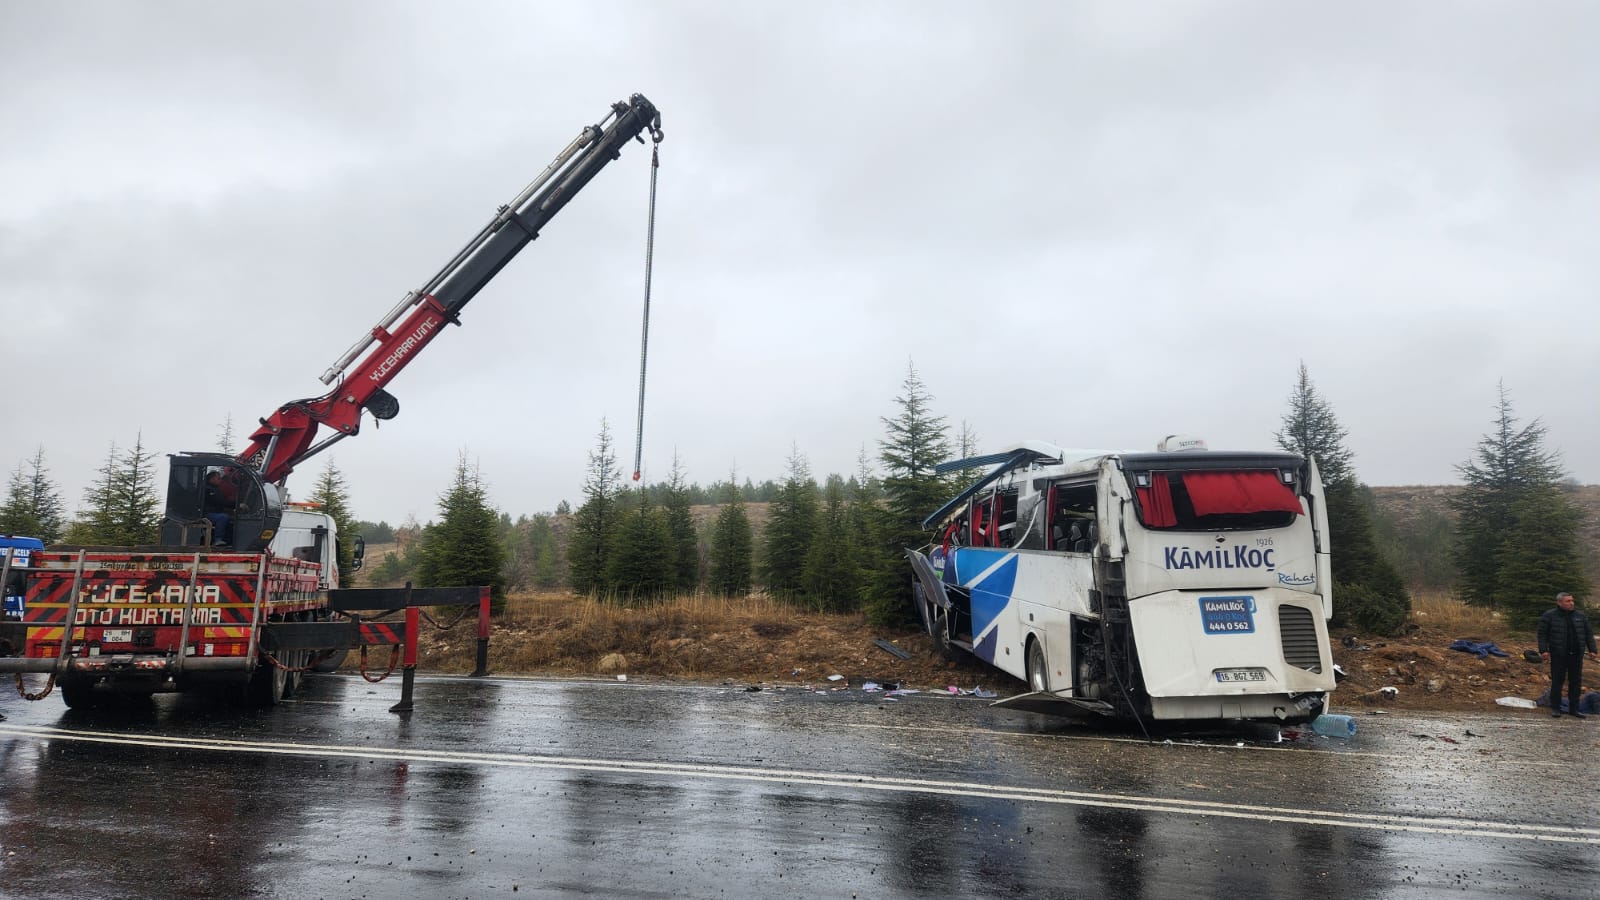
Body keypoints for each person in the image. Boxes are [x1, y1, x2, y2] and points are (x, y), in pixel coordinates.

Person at [1537, 591, 1598, 719]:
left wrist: (1593, 650)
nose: (1571, 603)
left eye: (1572, 600)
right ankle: (1556, 708)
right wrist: (1543, 650)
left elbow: (1588, 634)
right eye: (1568, 601)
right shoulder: (1550, 616)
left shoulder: (1580, 616)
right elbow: (1542, 634)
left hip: (1576, 654)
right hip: (1559, 654)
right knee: (1557, 681)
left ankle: (1574, 709)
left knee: (1575, 682)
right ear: (1559, 603)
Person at [203, 469, 238, 547]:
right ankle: (218, 539)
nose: (220, 480)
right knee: (223, 517)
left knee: (231, 518)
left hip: (214, 512)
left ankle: (228, 541)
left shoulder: (215, 489)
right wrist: (237, 504)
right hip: (207, 514)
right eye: (218, 478)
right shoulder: (209, 489)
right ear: (212, 479)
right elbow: (221, 502)